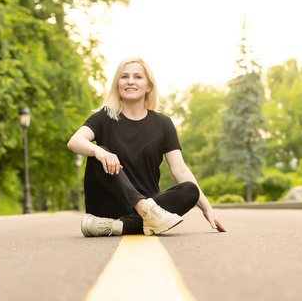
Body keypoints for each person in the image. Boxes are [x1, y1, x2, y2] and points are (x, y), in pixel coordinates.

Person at [67, 57, 227, 237]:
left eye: (137, 77)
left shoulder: (163, 124)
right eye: (124, 77)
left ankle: (121, 226)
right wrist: (98, 151)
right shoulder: (104, 117)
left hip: (150, 203)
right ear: (117, 83)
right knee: (101, 152)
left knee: (190, 190)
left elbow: (180, 170)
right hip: (109, 203)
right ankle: (144, 211)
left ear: (148, 86)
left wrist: (207, 208)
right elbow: (75, 141)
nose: (130, 82)